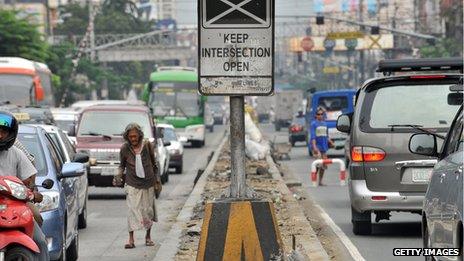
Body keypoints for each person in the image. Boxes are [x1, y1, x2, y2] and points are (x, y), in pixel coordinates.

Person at [0, 111, 49, 261]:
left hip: (14, 202)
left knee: (40, 239)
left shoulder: (17, 153)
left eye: (3, 131)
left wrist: (34, 192)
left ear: (11, 133)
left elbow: (29, 179)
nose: (0, 135)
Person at [112, 123, 160, 249]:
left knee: (148, 211)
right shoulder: (124, 149)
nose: (133, 139)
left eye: (135, 136)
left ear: (139, 135)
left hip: (148, 183)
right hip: (132, 183)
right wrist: (118, 176)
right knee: (132, 210)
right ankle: (131, 239)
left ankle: (148, 237)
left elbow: (154, 164)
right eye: (130, 136)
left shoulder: (148, 145)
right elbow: (122, 165)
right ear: (127, 137)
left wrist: (157, 181)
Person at [310, 108, 334, 186]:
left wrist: (331, 142)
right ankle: (314, 179)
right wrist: (314, 147)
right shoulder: (314, 124)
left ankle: (320, 181)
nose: (320, 116)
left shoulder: (324, 124)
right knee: (318, 164)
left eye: (321, 114)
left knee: (324, 165)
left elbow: (326, 136)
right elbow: (313, 137)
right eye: (318, 114)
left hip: (324, 147)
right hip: (317, 147)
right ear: (316, 115)